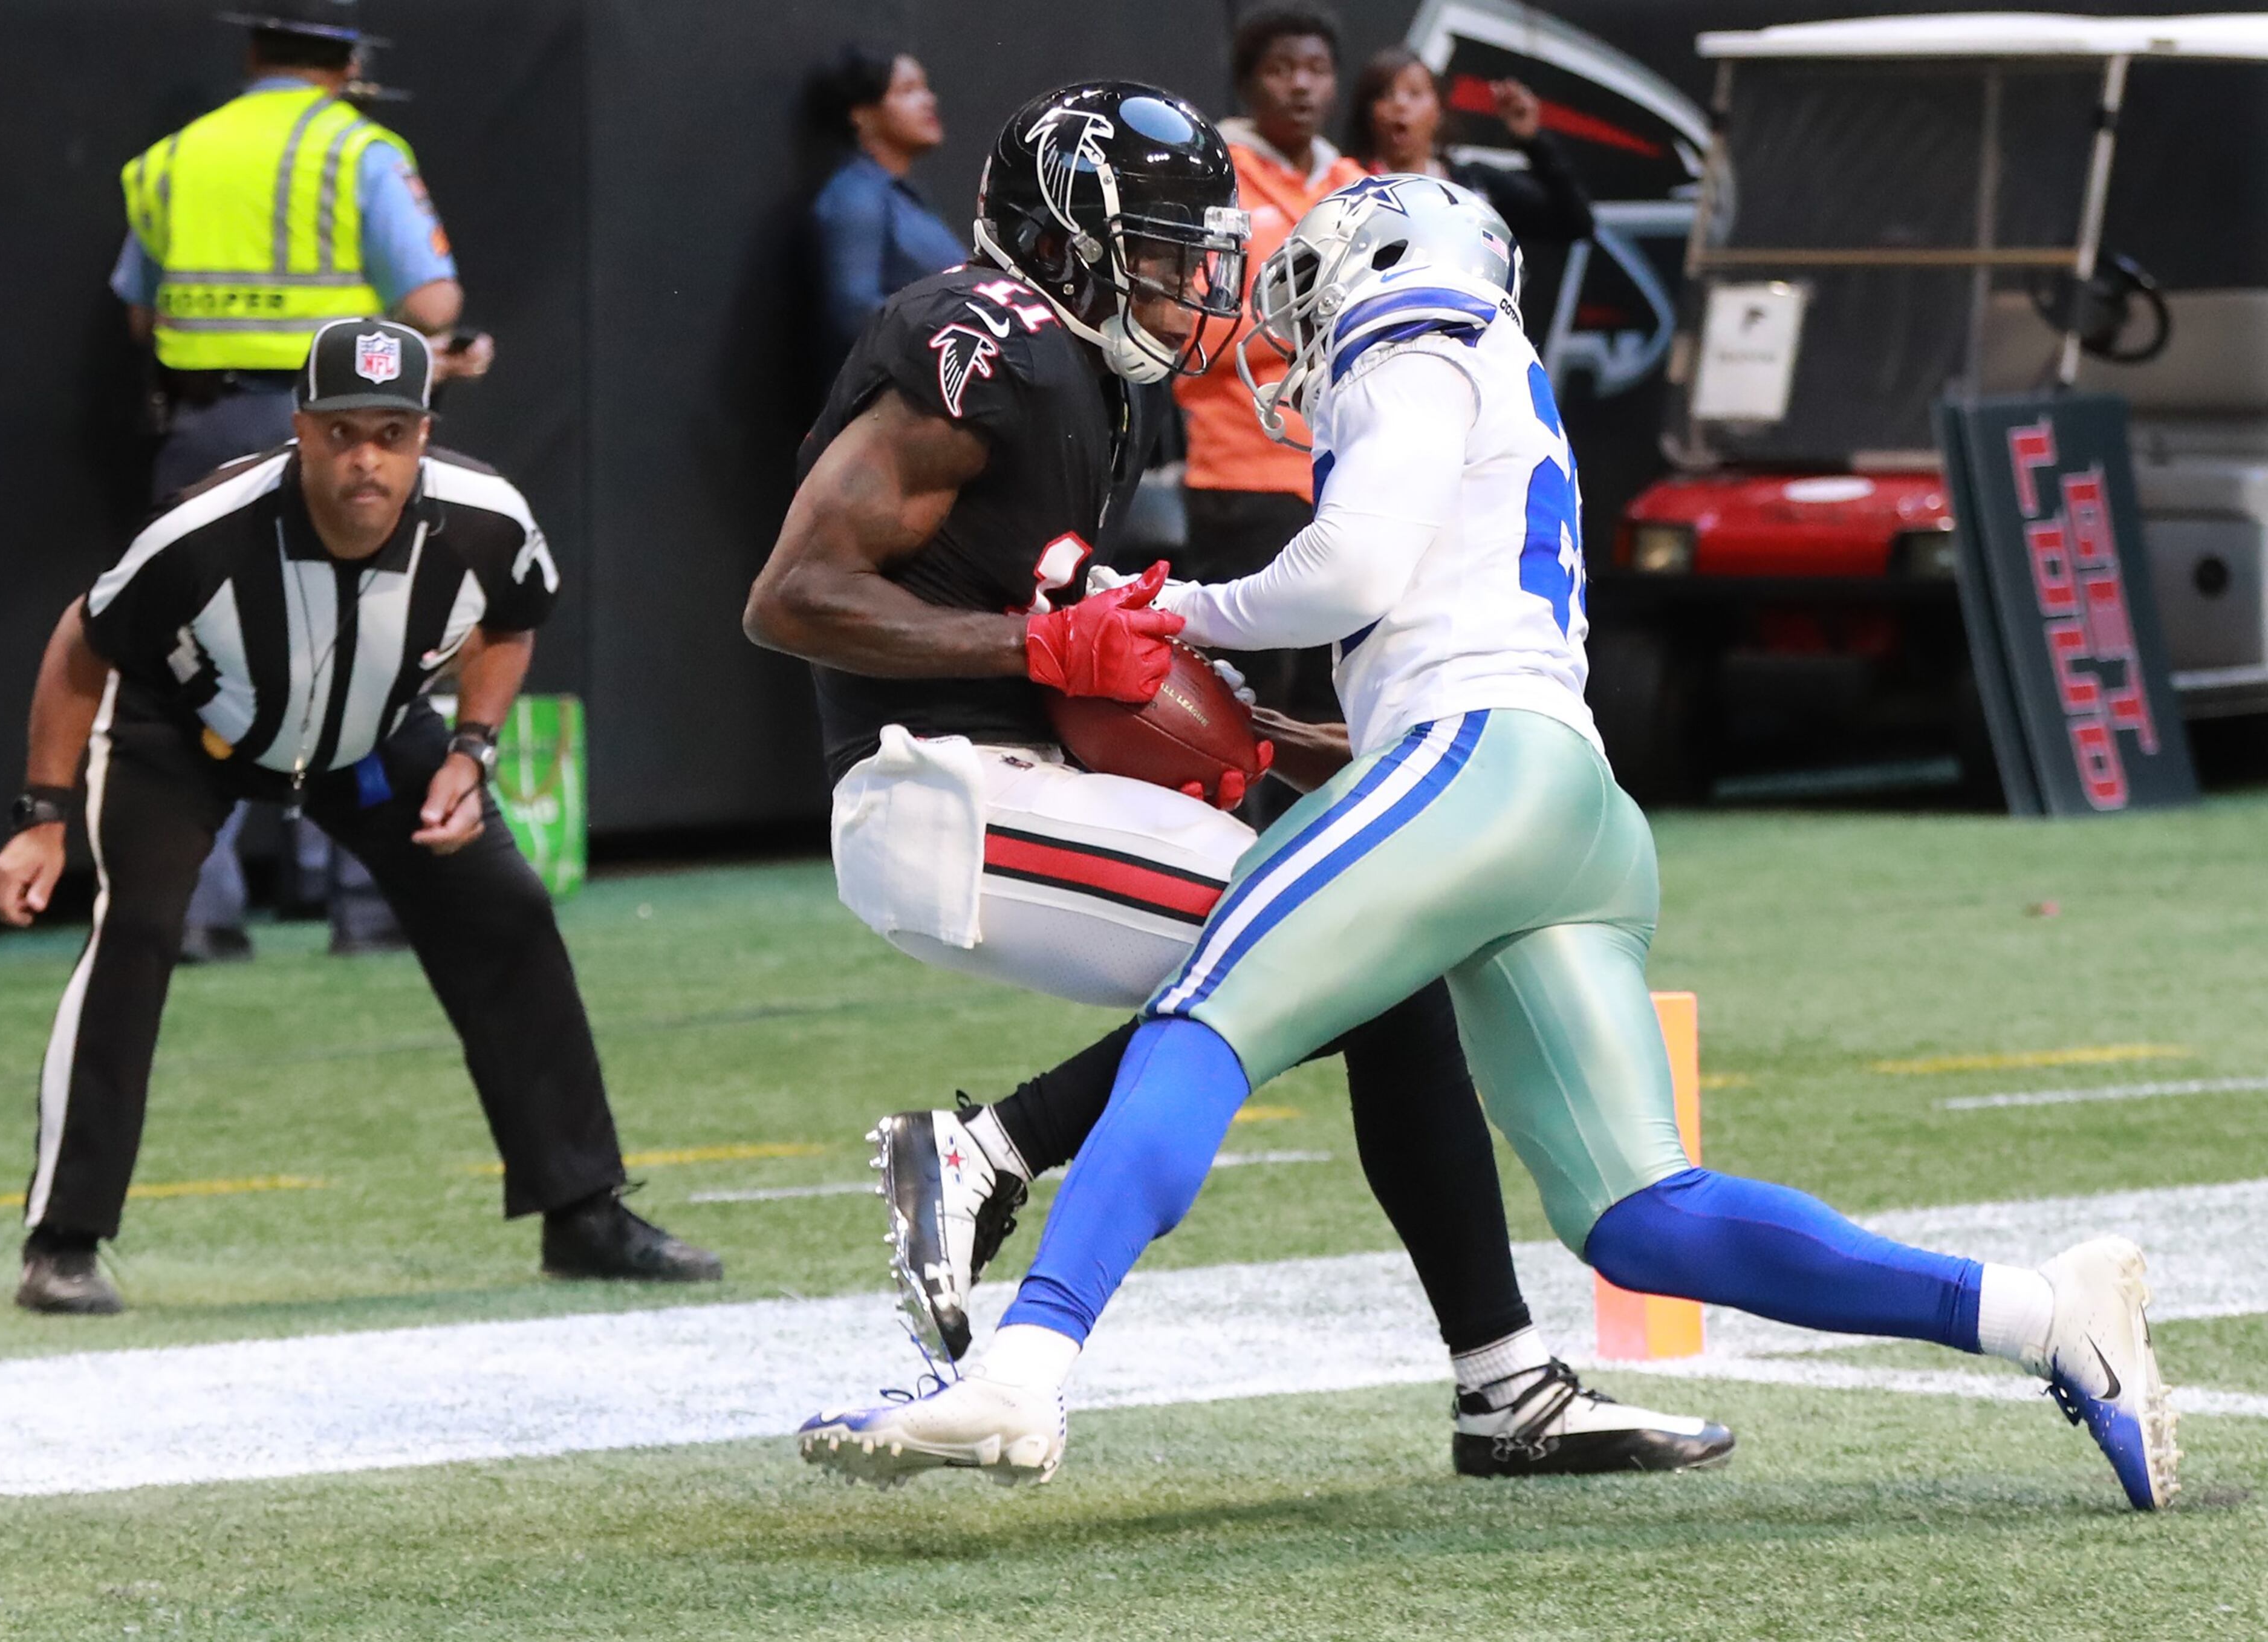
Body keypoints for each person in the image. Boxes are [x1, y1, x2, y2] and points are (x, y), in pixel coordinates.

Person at [797, 178, 2179, 1514]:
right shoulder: (1497, 370)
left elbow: (1348, 572)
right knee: (1641, 1212)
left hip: (1475, 760)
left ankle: (1024, 1369)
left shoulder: (1414, 334)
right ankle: (2038, 1311)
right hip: (1568, 804)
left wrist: (1176, 611)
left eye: (1309, 290)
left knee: (1204, 1015)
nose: (1294, 327)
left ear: (1382, 265)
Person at [747, 85, 1727, 1477]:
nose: (1186, 284)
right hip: (943, 798)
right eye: (1158, 250)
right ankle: (989, 1149)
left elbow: (1070, 635)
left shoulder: (1090, 382)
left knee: (1380, 962)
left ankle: (1502, 1384)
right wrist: (1038, 644)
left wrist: (1277, 733)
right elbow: (793, 595)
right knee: (1354, 946)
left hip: (1024, 783)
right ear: (1069, 235)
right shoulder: (983, 330)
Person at [0, 319, 722, 1316]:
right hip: (187, 733)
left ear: (424, 435)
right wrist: (43, 816)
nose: (365, 458)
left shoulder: (487, 519)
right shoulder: (202, 530)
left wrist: (472, 750)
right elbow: (82, 642)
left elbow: (512, 622)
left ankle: (583, 1213)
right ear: (300, 430)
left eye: (390, 432)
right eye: (341, 432)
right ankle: (62, 1241)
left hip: (372, 738)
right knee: (139, 931)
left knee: (504, 910)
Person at [114, 0, 495, 962]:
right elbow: (433, 300)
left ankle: (194, 909)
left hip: (201, 427)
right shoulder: (358, 150)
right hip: (338, 434)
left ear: (253, 46)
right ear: (349, 56)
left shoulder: (170, 159)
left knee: (194, 662)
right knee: (365, 651)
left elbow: (143, 318)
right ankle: (364, 901)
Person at [1174, 3, 1363, 818]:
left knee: (1337, 687)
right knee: (1245, 691)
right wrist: (1295, 319)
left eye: (1316, 69)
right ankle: (1229, 862)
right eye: (1282, 70)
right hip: (1240, 475)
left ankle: (1325, 862)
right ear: (1249, 83)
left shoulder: (1357, 185)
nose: (1301, 86)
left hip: (1346, 476)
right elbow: (1189, 330)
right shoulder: (1214, 183)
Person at [806, 46, 965, 379]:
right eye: (908, 90)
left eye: (925, 88)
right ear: (862, 115)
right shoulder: (856, 196)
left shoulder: (901, 198)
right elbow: (856, 312)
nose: (929, 100)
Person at [1347, 49, 1595, 245]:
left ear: (1439, 111)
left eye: (1415, 93)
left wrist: (1533, 141)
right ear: (1368, 113)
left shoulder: (1475, 187)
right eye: (1385, 95)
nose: (1400, 105)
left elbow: (1575, 223)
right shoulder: (1348, 188)